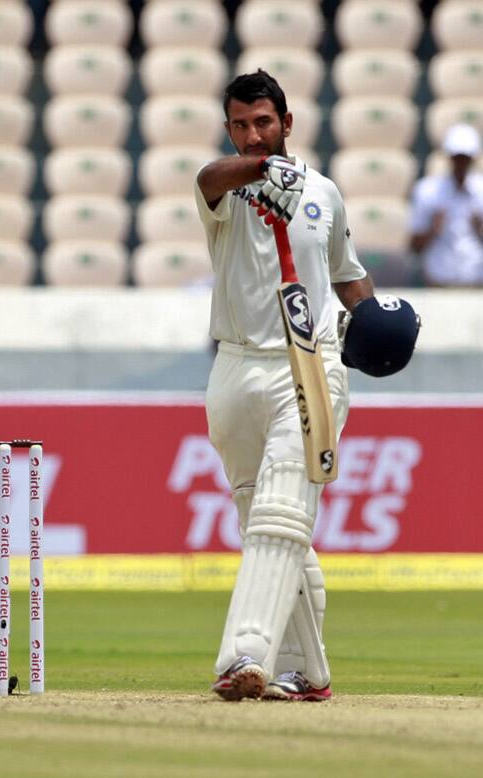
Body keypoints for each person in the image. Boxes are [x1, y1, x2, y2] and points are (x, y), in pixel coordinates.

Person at [194, 70, 418, 702]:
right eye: (240, 124)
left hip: (311, 363)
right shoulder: (224, 189)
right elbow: (210, 178)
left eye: (263, 122)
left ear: (286, 123)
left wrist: (378, 322)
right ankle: (310, 674)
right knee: (262, 523)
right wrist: (261, 173)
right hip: (236, 367)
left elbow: (347, 274)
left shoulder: (324, 192)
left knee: (281, 513)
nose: (252, 134)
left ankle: (246, 655)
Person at [409, 123, 483, 286]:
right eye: (457, 158)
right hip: (438, 282)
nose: (461, 163)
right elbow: (414, 246)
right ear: (450, 157)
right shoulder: (427, 190)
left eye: (465, 158)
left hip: (478, 283)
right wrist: (433, 229)